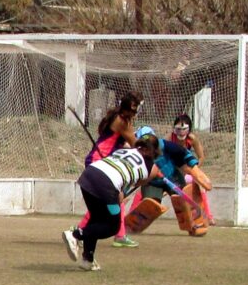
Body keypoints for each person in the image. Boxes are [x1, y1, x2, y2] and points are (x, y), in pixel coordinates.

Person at [62, 136, 161, 271]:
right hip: (106, 184)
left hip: (89, 175)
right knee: (113, 226)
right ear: (152, 151)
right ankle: (75, 235)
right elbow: (139, 181)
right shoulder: (149, 165)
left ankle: (88, 259)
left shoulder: (124, 150)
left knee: (96, 218)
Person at [77, 91, 143, 248]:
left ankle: (118, 234)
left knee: (116, 198)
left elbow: (119, 142)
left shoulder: (117, 117)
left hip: (102, 160)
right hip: (101, 162)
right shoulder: (123, 122)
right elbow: (136, 144)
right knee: (108, 201)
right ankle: (81, 231)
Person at [127, 126, 212, 235]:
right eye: (142, 146)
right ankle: (132, 227)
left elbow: (184, 154)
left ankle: (195, 226)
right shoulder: (136, 153)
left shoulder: (166, 146)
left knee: (183, 200)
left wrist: (195, 170)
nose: (144, 150)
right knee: (151, 203)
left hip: (173, 177)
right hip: (152, 183)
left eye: (146, 145)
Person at [169, 114, 215, 225]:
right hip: (171, 172)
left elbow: (201, 157)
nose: (181, 132)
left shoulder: (192, 139)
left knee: (201, 185)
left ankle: (208, 216)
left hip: (186, 172)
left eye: (184, 129)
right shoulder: (170, 138)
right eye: (178, 129)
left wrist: (194, 170)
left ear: (189, 129)